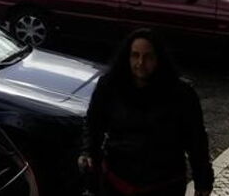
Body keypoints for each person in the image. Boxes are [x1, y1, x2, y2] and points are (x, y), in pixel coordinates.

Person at [79, 29, 213, 196]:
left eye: (148, 57)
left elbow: (196, 140)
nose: (140, 63)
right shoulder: (110, 86)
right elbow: (94, 123)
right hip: (117, 181)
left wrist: (203, 180)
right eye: (135, 55)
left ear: (158, 59)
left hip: (164, 185)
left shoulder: (181, 94)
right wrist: (89, 152)